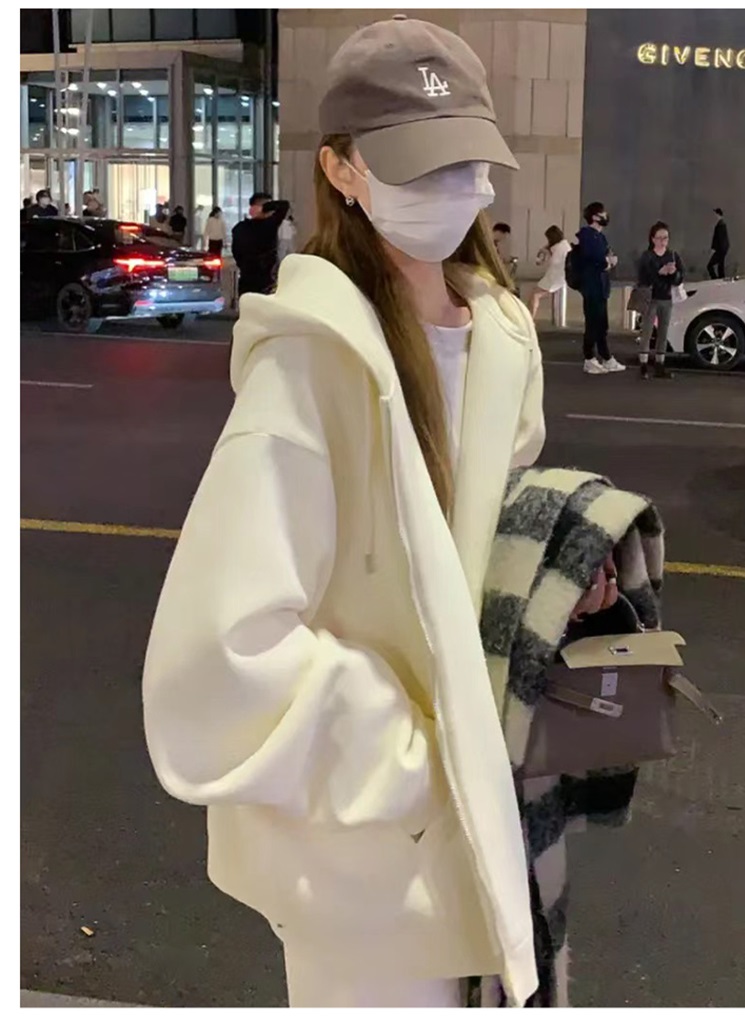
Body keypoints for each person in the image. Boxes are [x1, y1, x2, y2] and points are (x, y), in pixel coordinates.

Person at [143, 15, 614, 1009]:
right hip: (371, 862)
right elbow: (216, 656)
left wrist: (556, 577)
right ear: (342, 169)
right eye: (419, 163)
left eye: (467, 161)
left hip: (496, 823)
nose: (457, 187)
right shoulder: (310, 366)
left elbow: (480, 545)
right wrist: (416, 759)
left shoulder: (499, 339)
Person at [574, 201, 625, 374]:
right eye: (602, 214)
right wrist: (607, 262)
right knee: (593, 323)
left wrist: (608, 261)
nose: (605, 216)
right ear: (594, 217)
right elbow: (592, 258)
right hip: (592, 286)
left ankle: (606, 357)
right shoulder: (587, 235)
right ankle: (589, 358)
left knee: (601, 324)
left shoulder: (600, 237)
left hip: (601, 286)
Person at [636, 221, 684, 380]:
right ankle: (643, 365)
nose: (663, 241)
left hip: (666, 298)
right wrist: (659, 272)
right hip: (650, 298)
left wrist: (673, 273)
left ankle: (660, 364)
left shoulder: (673, 255)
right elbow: (643, 277)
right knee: (647, 331)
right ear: (652, 239)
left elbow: (680, 278)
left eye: (665, 238)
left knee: (663, 332)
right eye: (659, 238)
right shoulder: (647, 256)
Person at [231, 191, 291, 296]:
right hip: (260, 278)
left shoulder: (241, 227)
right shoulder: (267, 226)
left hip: (253, 278)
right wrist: (266, 207)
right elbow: (284, 205)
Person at [530, 225, 572, 319]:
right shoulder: (563, 244)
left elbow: (554, 262)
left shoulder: (560, 248)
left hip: (556, 277)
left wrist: (546, 254)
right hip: (556, 276)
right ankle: (530, 316)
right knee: (534, 293)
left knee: (535, 295)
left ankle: (531, 318)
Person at [708, 207, 729, 280]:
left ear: (718, 214)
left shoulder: (721, 225)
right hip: (722, 249)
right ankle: (720, 279)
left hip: (720, 249)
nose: (714, 216)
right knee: (720, 266)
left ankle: (715, 279)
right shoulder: (721, 224)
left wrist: (714, 249)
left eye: (715, 214)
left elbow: (719, 239)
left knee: (710, 266)